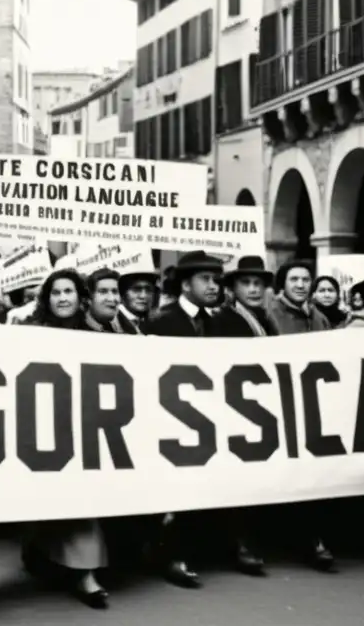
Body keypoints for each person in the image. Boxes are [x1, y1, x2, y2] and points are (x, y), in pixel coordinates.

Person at [22, 269, 110, 608]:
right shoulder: (28, 334)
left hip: (83, 430)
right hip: (41, 427)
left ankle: (86, 576)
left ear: (80, 297)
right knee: (48, 501)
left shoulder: (96, 336)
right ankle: (40, 553)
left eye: (69, 291)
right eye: (55, 292)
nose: (62, 298)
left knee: (81, 506)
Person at [143, 251, 225, 589]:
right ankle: (170, 556)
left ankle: (196, 549)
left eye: (215, 279)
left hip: (209, 416)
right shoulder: (161, 321)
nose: (213, 285)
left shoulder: (219, 321)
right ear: (185, 284)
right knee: (175, 494)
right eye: (205, 279)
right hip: (171, 417)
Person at [206, 255, 278, 576]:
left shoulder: (264, 319)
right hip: (235, 404)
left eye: (258, 283)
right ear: (233, 288)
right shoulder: (224, 319)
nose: (253, 288)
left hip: (260, 404)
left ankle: (251, 539)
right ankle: (240, 543)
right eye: (246, 283)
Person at [265, 259, 335, 569]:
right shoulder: (270, 314)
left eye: (306, 279)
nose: (301, 285)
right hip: (279, 402)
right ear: (283, 283)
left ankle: (311, 541)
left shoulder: (318, 317)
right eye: (294, 279)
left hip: (311, 403)